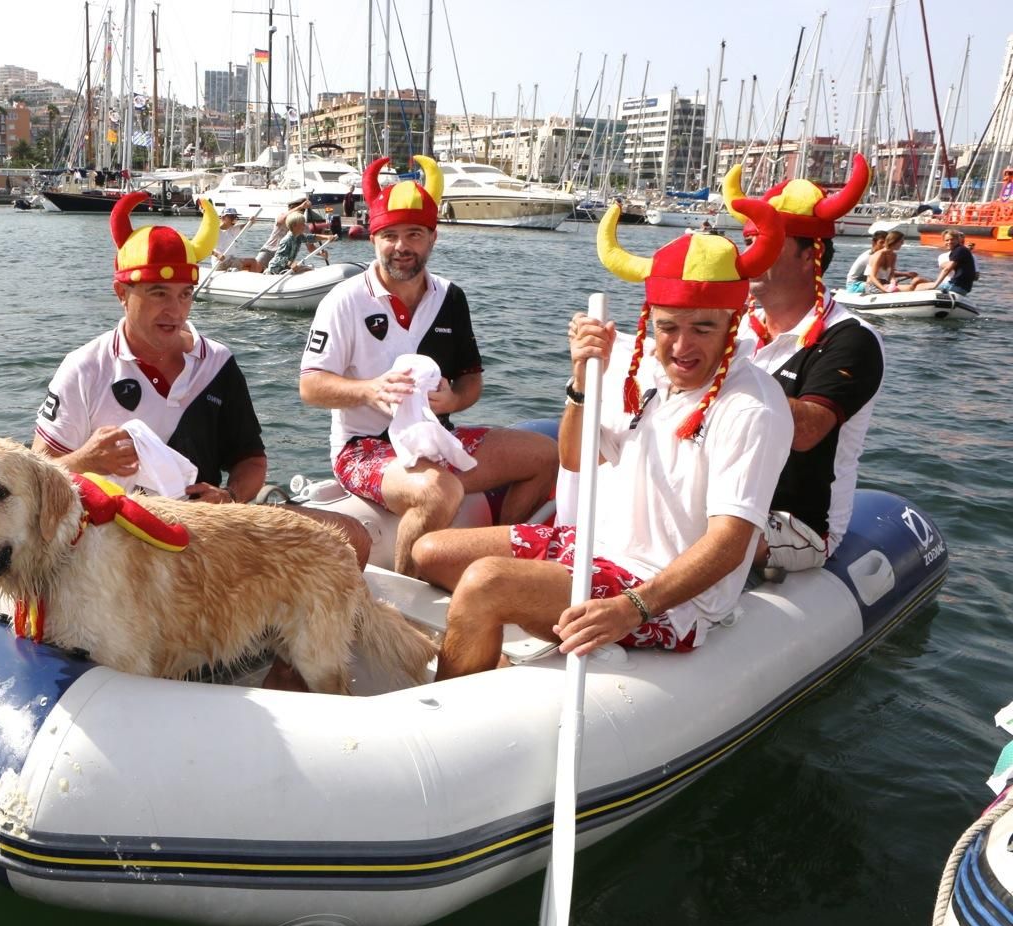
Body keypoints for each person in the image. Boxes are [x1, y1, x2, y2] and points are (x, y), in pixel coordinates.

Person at [413, 197, 794, 677]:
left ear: (732, 323)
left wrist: (632, 607)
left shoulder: (751, 404)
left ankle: (454, 712)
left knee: (486, 581)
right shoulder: (638, 365)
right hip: (592, 547)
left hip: (663, 591)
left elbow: (729, 543)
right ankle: (488, 648)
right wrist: (581, 379)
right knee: (430, 553)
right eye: (668, 327)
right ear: (649, 320)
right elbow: (574, 457)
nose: (681, 346)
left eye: (702, 327)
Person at [33, 192, 371, 567]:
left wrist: (228, 497)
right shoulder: (85, 368)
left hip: (206, 531)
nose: (174, 310)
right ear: (121, 294)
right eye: (158, 293)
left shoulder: (217, 364)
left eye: (185, 295)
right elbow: (36, 477)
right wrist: (86, 459)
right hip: (113, 545)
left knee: (351, 538)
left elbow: (252, 461)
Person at [297, 155, 558, 576]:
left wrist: (453, 398)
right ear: (373, 239)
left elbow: (471, 380)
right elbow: (310, 387)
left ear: (433, 238)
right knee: (439, 493)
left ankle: (498, 560)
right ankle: (407, 591)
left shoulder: (450, 298)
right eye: (390, 235)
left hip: (438, 438)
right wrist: (369, 389)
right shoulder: (344, 300)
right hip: (362, 448)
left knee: (545, 455)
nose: (402, 247)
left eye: (414, 234)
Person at [723, 156, 885, 573]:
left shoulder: (852, 339)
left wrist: (714, 372)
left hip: (795, 522)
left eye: (765, 241)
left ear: (809, 255)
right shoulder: (733, 323)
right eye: (748, 241)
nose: (749, 254)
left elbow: (806, 431)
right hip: (720, 495)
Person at [255, 196, 308, 271]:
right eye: (297, 209)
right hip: (269, 251)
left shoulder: (304, 227)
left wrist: (321, 253)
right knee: (256, 267)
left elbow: (310, 246)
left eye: (303, 210)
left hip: (285, 256)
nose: (300, 211)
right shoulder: (282, 218)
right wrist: (301, 206)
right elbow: (281, 220)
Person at [265, 212, 329, 274]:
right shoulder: (287, 240)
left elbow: (311, 238)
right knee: (306, 270)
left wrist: (327, 237)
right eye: (302, 224)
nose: (304, 226)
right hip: (277, 268)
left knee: (309, 268)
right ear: (294, 226)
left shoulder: (299, 236)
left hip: (286, 266)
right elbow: (280, 257)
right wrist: (291, 263)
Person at [928, 229, 978, 295]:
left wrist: (935, 284)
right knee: (917, 281)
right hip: (956, 284)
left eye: (952, 239)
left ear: (958, 240)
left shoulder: (961, 251)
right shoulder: (951, 254)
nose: (950, 242)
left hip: (954, 285)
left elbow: (947, 269)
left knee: (919, 286)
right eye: (947, 240)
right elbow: (943, 266)